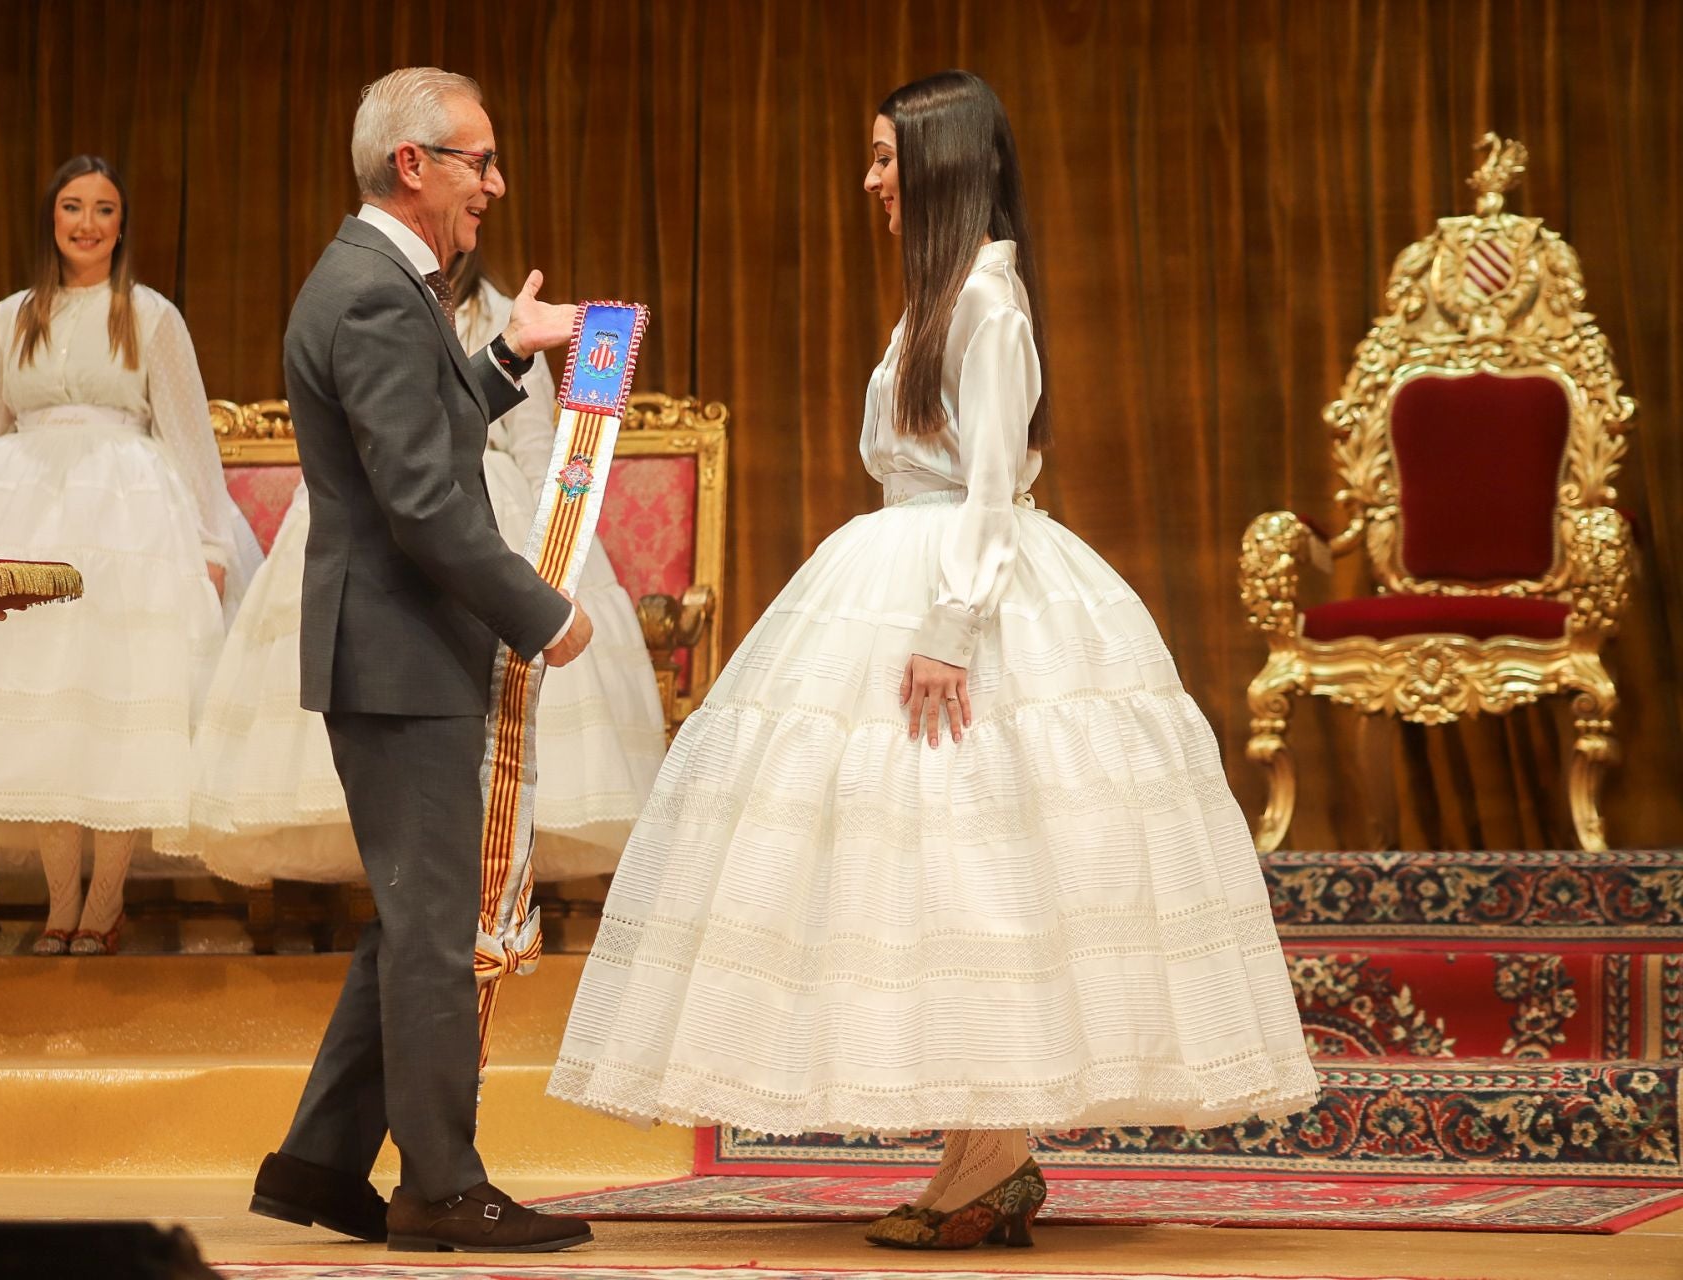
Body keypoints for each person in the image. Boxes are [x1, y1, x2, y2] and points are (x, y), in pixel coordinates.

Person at [547, 71, 1318, 1251]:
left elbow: (995, 482)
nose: (869, 183)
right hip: (900, 564)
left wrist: (952, 630)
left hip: (962, 581)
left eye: (883, 159)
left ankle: (992, 1156)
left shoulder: (987, 306)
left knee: (977, 863)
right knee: (931, 867)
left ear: (941, 164)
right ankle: (979, 1155)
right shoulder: (942, 299)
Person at [247, 68, 595, 1254]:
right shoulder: (376, 296)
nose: (493, 185)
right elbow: (422, 501)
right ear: (413, 164)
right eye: (477, 161)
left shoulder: (378, 283)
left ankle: (315, 1162)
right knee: (436, 926)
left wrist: (505, 356)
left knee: (413, 919)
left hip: (394, 649)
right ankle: (442, 1184)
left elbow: (423, 428)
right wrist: (543, 612)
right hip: (401, 652)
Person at [0, 155, 261, 957]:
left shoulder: (150, 315)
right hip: (22, 512)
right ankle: (61, 902)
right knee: (42, 709)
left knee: (116, 701)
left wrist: (210, 541)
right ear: (52, 218)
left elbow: (188, 435)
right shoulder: (13, 316)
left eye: (105, 209)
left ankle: (105, 905)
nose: (88, 223)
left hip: (129, 521)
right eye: (73, 207)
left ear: (122, 223)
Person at [176, 250, 663, 887]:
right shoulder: (374, 294)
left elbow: (534, 443)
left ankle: (473, 883)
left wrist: (557, 540)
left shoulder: (496, 307)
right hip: (392, 502)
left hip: (490, 489)